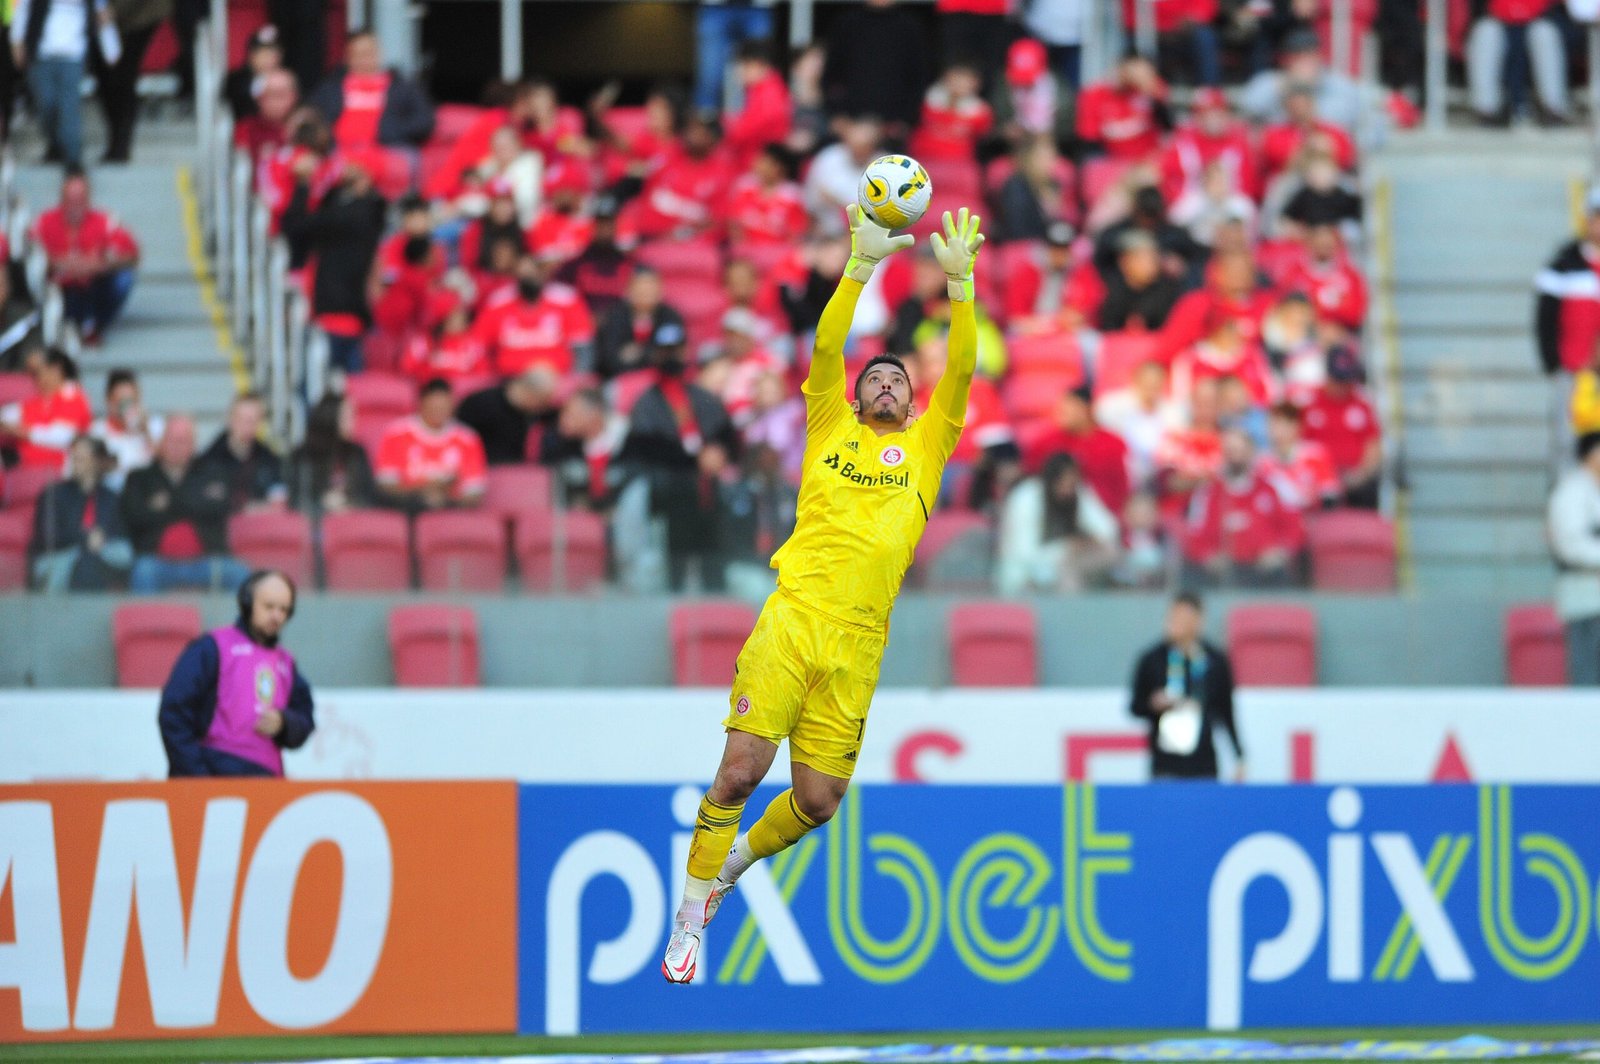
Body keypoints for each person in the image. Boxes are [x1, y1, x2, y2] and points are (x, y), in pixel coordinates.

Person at [660, 206, 984, 983]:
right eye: (873, 376)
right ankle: (688, 914)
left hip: (860, 642)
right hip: (794, 618)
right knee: (740, 771)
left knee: (820, 800)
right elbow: (828, 346)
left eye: (895, 378)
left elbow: (964, 372)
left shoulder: (928, 448)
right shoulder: (827, 423)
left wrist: (961, 287)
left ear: (911, 404)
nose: (880, 380)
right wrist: (858, 268)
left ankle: (731, 867)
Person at [158, 570, 315, 777]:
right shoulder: (212, 647)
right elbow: (174, 714)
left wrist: (285, 723)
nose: (277, 616)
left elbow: (305, 719)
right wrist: (197, 779)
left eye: (284, 609)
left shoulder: (286, 663)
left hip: (268, 784)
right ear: (247, 603)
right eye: (269, 606)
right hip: (214, 775)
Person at [621, 322, 741, 592]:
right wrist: (696, 459)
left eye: (676, 350)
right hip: (670, 496)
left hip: (710, 496)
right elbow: (646, 448)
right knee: (674, 568)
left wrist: (718, 453)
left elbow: (728, 439)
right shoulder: (646, 403)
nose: (671, 357)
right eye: (665, 351)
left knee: (715, 565)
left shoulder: (702, 397)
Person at [281, 149, 387, 372]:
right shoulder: (363, 210)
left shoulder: (356, 212)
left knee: (324, 391)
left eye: (351, 167)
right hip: (344, 313)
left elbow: (296, 228)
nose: (343, 172)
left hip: (336, 316)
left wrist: (303, 182)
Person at [122, 416, 253, 593]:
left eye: (183, 441)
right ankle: (148, 622)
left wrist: (165, 503)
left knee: (240, 574)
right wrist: (197, 499)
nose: (177, 446)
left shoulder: (213, 473)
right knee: (142, 572)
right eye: (172, 439)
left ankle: (233, 623)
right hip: (157, 562)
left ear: (193, 445)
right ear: (161, 442)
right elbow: (135, 516)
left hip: (206, 561)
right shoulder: (140, 477)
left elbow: (220, 508)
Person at [1129, 592, 1244, 780]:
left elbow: (1226, 711)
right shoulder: (1152, 659)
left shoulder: (1215, 661)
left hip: (1204, 764)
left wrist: (1239, 756)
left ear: (1198, 621)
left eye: (1183, 618)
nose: (1175, 623)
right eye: (1172, 617)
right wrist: (1153, 704)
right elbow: (1135, 706)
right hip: (1165, 765)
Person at [1181, 426, 1303, 587]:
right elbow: (1195, 535)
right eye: (1230, 451)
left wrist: (1279, 553)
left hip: (1265, 570)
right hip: (1222, 572)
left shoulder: (1274, 487)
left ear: (1251, 452)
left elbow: (1295, 528)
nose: (1235, 457)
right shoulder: (1207, 493)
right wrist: (1208, 557)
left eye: (1240, 450)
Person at [30, 167, 140, 344]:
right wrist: (60, 264)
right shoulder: (43, 222)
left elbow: (132, 255)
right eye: (70, 200)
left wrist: (100, 264)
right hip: (57, 289)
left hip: (94, 288)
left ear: (88, 199)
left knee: (124, 277)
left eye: (80, 200)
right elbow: (28, 255)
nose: (75, 206)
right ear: (61, 199)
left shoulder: (105, 221)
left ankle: (94, 325)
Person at [997, 452, 1120, 594]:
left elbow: (1108, 529)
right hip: (1023, 577)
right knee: (1065, 572)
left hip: (1064, 565)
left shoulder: (1077, 493)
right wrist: (1067, 547)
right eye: (1064, 483)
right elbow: (1022, 552)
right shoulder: (1026, 498)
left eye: (1073, 483)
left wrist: (1086, 542)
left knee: (1109, 553)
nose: (1067, 490)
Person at [30, 434, 131, 590]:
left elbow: (120, 534)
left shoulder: (110, 498)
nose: (76, 464)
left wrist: (101, 539)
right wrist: (84, 537)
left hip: (101, 558)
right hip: (62, 558)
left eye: (82, 459)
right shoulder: (54, 494)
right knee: (84, 563)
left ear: (97, 461)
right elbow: (46, 536)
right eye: (74, 458)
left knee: (116, 557)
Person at [309, 28, 434, 153]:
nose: (364, 59)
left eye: (368, 53)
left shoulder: (403, 87)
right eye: (358, 54)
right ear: (347, 57)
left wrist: (391, 131)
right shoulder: (330, 88)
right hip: (338, 151)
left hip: (390, 151)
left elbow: (424, 121)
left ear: (378, 53)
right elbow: (309, 117)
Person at [374, 378, 488, 512]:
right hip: (407, 510)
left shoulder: (468, 438)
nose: (439, 413)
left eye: (443, 407)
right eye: (434, 407)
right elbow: (385, 486)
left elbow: (474, 492)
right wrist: (424, 490)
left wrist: (446, 500)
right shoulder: (396, 434)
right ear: (421, 404)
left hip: (452, 512)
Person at [475, 252, 596, 377]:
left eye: (534, 271)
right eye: (524, 274)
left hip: (558, 379)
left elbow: (582, 348)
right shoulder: (498, 302)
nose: (529, 277)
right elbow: (479, 346)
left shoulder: (566, 299)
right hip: (508, 381)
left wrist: (575, 381)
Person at [10, 0, 95, 164]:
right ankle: (55, 146)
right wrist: (17, 42)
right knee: (46, 104)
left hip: (73, 54)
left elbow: (97, 12)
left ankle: (73, 158)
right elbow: (23, 11)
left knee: (69, 107)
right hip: (42, 54)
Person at [1300, 344, 1381, 508]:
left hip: (1355, 478)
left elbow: (1373, 444)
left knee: (1369, 492)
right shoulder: (1309, 402)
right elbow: (1300, 447)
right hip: (1319, 479)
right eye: (1338, 379)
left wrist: (1361, 474)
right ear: (1328, 375)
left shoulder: (1361, 402)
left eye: (1346, 379)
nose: (1343, 385)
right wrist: (1323, 477)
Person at [1549, 431, 1600, 684]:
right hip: (1585, 597)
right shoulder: (1572, 492)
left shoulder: (1594, 491)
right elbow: (1571, 545)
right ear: (1592, 455)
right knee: (1588, 672)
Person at [95, 0, 171, 162]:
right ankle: (116, 140)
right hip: (101, 21)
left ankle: (121, 143)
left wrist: (113, 11)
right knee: (105, 82)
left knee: (124, 79)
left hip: (139, 17)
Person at [1535, 190, 1600, 375]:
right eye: (1596, 217)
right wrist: (1553, 365)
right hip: (1572, 372)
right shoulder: (1563, 265)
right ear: (1586, 220)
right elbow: (1545, 319)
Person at [0, 347, 91, 469]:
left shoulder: (72, 394)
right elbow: (9, 415)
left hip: (57, 472)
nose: (32, 378)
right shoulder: (38, 396)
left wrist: (22, 431)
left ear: (56, 369)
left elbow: (63, 437)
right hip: (21, 464)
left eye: (36, 372)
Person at [197, 392, 287, 512]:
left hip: (259, 527)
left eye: (253, 420)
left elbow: (279, 502)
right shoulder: (209, 461)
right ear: (230, 419)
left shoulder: (269, 460)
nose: (247, 426)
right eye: (242, 419)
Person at [289, 393, 375, 516]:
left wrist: (348, 505)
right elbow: (297, 501)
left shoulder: (357, 453)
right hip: (316, 525)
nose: (353, 422)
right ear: (332, 417)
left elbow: (369, 497)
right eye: (347, 417)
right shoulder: (304, 455)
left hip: (353, 522)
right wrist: (323, 505)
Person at [455, 367, 562, 465]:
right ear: (531, 396)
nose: (543, 407)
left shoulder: (528, 410)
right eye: (543, 403)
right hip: (480, 471)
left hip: (515, 473)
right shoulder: (480, 404)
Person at [593, 267, 685, 380]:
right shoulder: (615, 316)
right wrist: (653, 353)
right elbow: (609, 361)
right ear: (628, 291)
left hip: (661, 382)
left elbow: (673, 359)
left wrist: (638, 353)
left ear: (661, 290)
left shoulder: (670, 317)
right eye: (640, 289)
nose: (645, 294)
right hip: (620, 381)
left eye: (650, 289)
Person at [91, 367, 162, 490]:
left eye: (131, 401)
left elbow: (166, 465)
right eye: (121, 402)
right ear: (108, 401)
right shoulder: (97, 431)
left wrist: (146, 433)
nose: (127, 408)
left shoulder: (154, 425)